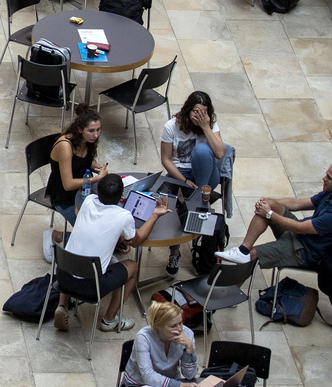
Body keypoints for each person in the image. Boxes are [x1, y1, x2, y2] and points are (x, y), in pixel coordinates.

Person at [54, 172, 171, 333]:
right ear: (122, 196)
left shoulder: (88, 201)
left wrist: (118, 238)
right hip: (90, 287)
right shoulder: (124, 216)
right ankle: (109, 320)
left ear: (98, 192)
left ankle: (62, 305)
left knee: (76, 255)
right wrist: (155, 215)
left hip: (62, 277)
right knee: (132, 266)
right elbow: (135, 242)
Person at [216, 164, 332, 270]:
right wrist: (268, 202)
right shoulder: (328, 194)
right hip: (299, 236)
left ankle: (231, 291)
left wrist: (269, 213)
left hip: (304, 250)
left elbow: (299, 227)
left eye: (329, 177)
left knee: (251, 256)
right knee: (269, 206)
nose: (324, 178)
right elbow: (296, 204)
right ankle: (243, 250)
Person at [159, 91, 226, 275]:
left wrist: (206, 128)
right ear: (188, 110)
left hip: (206, 172)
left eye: (203, 112)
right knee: (170, 201)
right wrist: (185, 181)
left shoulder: (209, 124)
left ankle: (197, 200)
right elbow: (166, 160)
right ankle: (174, 251)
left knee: (203, 150)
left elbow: (220, 153)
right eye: (196, 112)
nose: (199, 116)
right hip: (181, 172)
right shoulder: (171, 126)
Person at [43, 112, 106, 258]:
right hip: (64, 197)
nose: (95, 135)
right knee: (92, 237)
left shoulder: (87, 142)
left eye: (98, 130)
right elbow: (68, 184)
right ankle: (55, 235)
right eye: (91, 131)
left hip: (84, 191)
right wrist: (96, 179)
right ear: (79, 130)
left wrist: (97, 168)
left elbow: (86, 161)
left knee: (102, 225)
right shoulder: (66, 146)